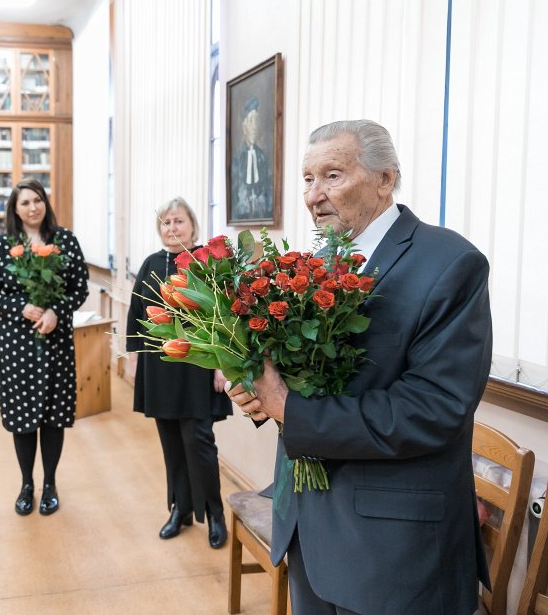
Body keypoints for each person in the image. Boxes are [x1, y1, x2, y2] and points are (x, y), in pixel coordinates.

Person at [227, 119, 492, 614]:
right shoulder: (318, 265)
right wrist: (260, 396)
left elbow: (432, 409)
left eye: (332, 176)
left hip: (392, 551)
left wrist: (289, 408)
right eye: (307, 179)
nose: (313, 196)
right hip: (309, 527)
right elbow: (307, 384)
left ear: (385, 179)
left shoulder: (450, 263)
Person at [125, 197, 231, 549]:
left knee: (199, 442)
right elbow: (137, 313)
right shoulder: (151, 263)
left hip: (198, 363)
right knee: (170, 442)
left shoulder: (206, 262)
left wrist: (220, 363)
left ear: (192, 225)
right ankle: (180, 509)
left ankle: (214, 513)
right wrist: (134, 357)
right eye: (166, 223)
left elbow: (223, 317)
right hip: (160, 365)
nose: (172, 228)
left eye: (178, 221)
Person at [0, 178, 89, 517]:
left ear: (45, 203)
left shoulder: (65, 240)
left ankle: (51, 484)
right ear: (15, 209)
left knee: (53, 416)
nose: (32, 207)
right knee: (22, 418)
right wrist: (19, 308)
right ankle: (27, 483)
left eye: (37, 200)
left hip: (55, 341)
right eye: (25, 202)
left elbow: (80, 288)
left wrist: (58, 312)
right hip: (17, 344)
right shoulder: (4, 246)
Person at [231, 96, 271, 220]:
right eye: (250, 121)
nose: (254, 127)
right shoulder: (236, 157)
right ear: (244, 125)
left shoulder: (262, 157)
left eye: (256, 121)